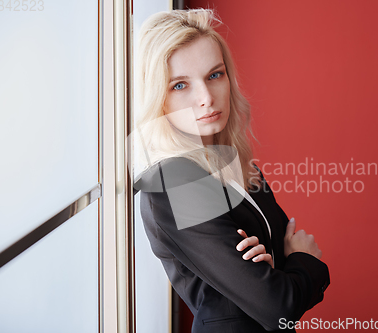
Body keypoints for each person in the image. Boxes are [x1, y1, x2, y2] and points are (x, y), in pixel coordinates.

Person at [135, 9, 330, 333]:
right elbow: (277, 304)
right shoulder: (172, 185)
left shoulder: (236, 163)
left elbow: (274, 273)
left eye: (215, 75)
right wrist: (306, 263)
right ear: (158, 96)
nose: (207, 98)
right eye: (180, 85)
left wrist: (274, 269)